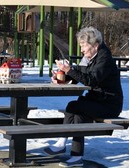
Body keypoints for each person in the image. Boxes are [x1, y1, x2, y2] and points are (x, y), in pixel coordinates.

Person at [43, 27, 123, 167]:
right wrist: (62, 77)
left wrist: (69, 70)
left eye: (84, 46)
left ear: (95, 45)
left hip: (109, 104)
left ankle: (67, 147)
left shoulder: (104, 59)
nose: (82, 50)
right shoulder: (90, 58)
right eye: (81, 46)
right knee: (74, 108)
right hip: (96, 100)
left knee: (77, 107)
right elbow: (80, 74)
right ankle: (73, 154)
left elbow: (90, 80)